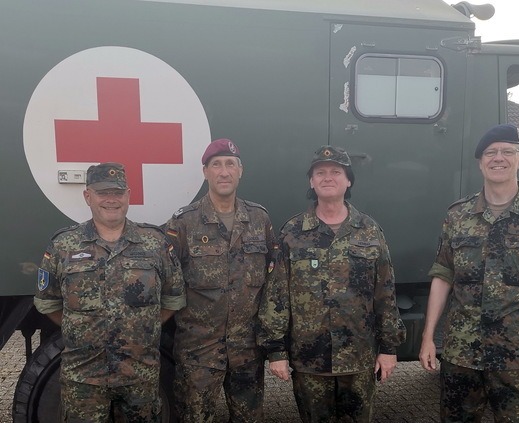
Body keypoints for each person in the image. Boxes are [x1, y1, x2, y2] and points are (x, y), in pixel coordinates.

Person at [419, 124, 519, 422]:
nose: (498, 158)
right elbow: (443, 275)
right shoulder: (458, 215)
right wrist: (428, 337)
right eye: (490, 152)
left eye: (508, 151)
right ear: (480, 162)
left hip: (518, 355)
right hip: (461, 355)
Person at [258, 146, 406, 423]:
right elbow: (277, 295)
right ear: (311, 182)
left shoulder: (370, 230)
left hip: (358, 357)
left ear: (348, 180)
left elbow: (385, 292)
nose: (328, 177)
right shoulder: (292, 232)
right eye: (320, 172)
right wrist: (276, 351)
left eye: (336, 172)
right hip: (309, 359)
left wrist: (389, 348)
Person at [34, 162, 186, 422]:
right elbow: (49, 304)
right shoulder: (64, 245)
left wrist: (143, 327)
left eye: (117, 193)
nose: (111, 200)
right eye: (103, 193)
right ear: (88, 196)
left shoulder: (156, 243)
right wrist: (83, 330)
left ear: (128, 196)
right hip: (84, 375)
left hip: (140, 373)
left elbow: (173, 299)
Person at [164, 138, 278, 422]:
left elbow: (273, 279)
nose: (224, 172)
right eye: (216, 165)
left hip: (247, 352)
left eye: (230, 164)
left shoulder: (258, 218)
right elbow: (166, 281)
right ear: (205, 172)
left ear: (241, 171)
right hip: (198, 353)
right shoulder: (183, 223)